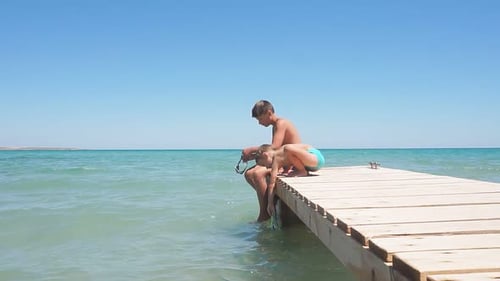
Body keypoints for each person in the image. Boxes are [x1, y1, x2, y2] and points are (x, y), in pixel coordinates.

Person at [241, 100, 301, 222]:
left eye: (260, 119)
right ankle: (270, 201)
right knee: (248, 173)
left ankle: (264, 214)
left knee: (258, 174)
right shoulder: (275, 126)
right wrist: (252, 156)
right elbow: (273, 151)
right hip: (283, 160)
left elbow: (274, 147)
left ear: (269, 113)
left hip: (293, 163)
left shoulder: (281, 123)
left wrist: (251, 149)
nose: (259, 123)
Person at [255, 143, 325, 217]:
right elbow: (272, 183)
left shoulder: (279, 155)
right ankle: (301, 170)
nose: (266, 167)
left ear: (265, 155)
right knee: (287, 151)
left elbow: (272, 183)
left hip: (314, 157)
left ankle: (302, 171)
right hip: (311, 163)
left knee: (288, 148)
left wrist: (270, 203)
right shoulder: (279, 157)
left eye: (264, 164)